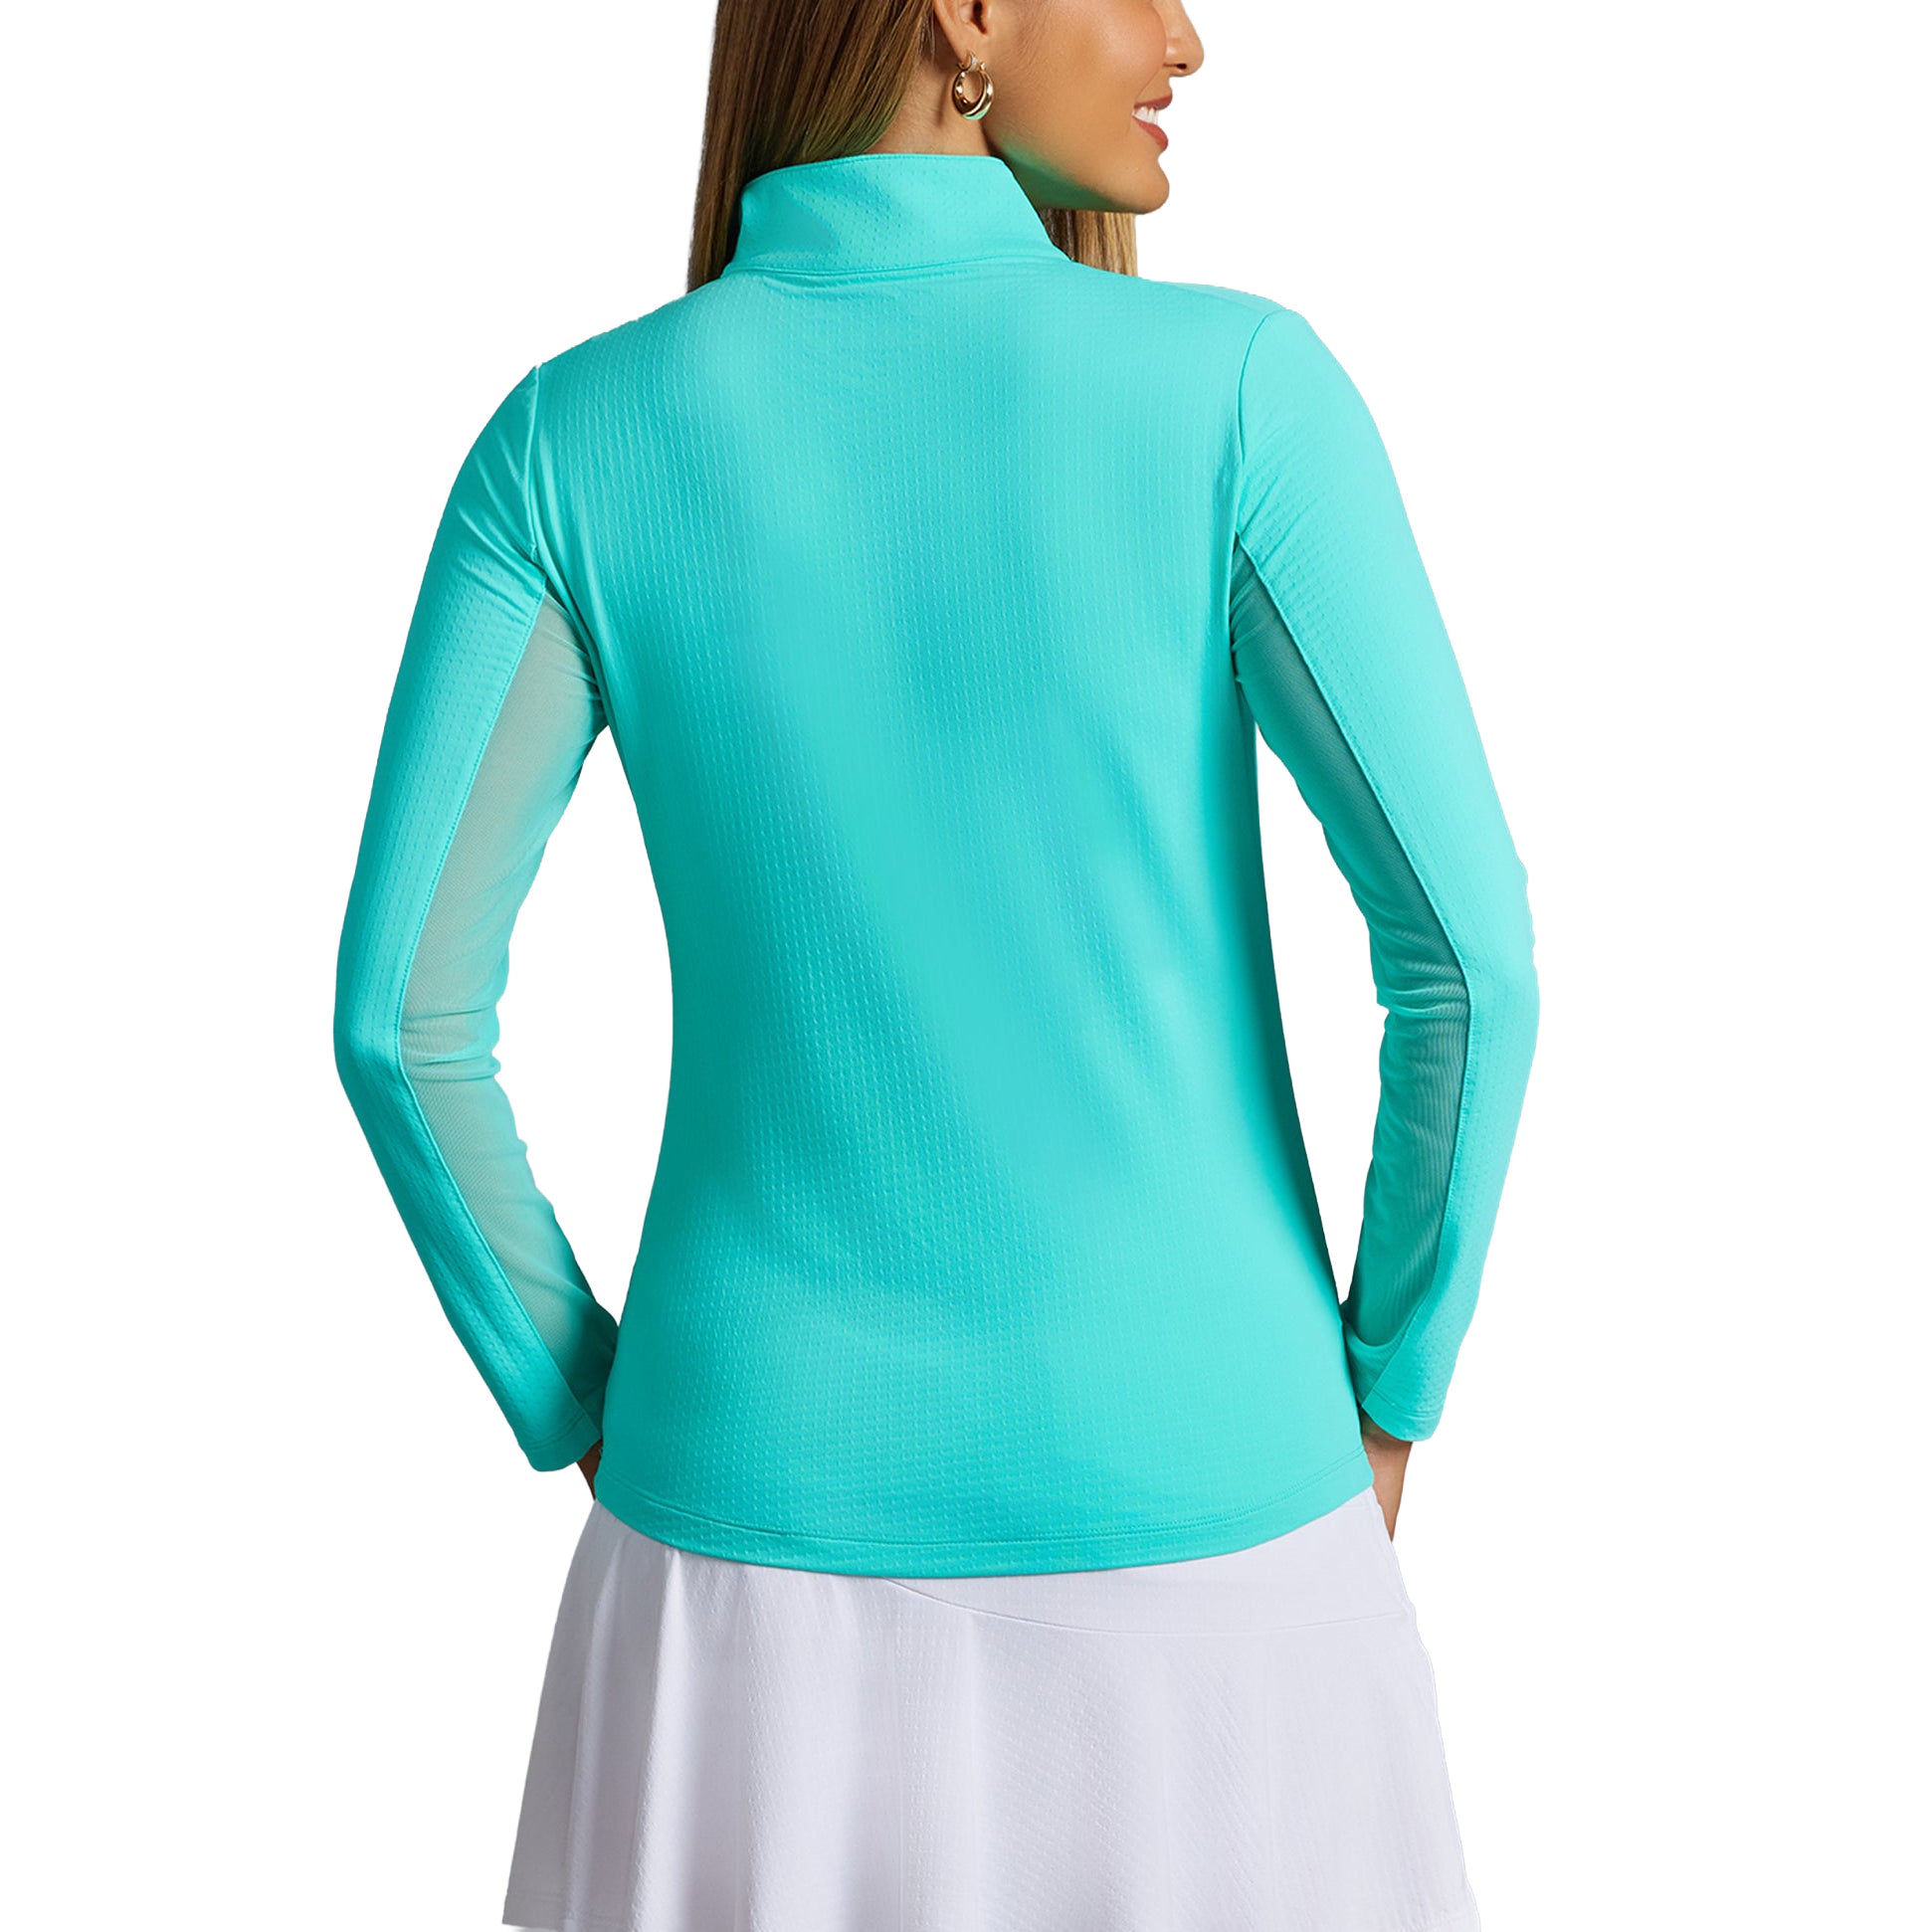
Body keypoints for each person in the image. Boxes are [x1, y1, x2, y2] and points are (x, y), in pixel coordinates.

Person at [331, 0, 1539, 1925]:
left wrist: (584, 1396)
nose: (1185, 39)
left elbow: (402, 1019)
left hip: (732, 1570)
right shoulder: (1237, 393)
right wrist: (1389, 1385)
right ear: (963, 9)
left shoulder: (568, 439)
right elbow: (1466, 963)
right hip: (1212, 1564)